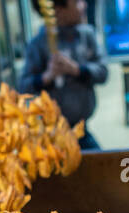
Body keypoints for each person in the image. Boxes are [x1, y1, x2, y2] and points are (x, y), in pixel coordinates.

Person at [18, 0, 107, 150]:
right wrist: (47, 76)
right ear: (58, 10)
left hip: (81, 130)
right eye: (77, 2)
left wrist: (76, 70)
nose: (84, 5)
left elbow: (103, 72)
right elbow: (23, 87)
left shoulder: (86, 35)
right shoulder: (38, 44)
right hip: (52, 136)